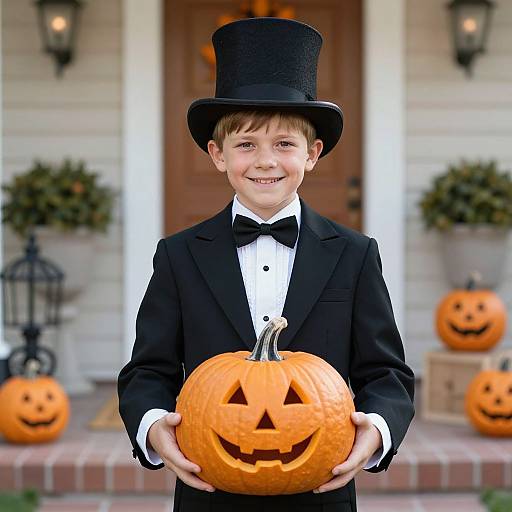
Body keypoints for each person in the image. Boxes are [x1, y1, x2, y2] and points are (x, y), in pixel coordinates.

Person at [118, 17, 415, 512]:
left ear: (313, 153)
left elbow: (386, 373)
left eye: (284, 144)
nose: (265, 161)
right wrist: (153, 426)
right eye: (245, 144)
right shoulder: (178, 254)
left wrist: (376, 431)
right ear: (217, 154)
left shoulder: (355, 253)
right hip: (209, 488)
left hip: (321, 489)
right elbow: (148, 369)